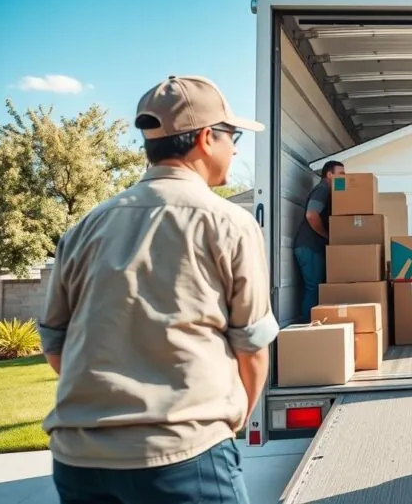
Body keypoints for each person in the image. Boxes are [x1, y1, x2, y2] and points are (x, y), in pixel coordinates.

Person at [37, 74, 279, 504]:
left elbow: (55, 343)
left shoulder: (85, 227)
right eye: (233, 135)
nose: (236, 147)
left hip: (79, 462)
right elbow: (253, 347)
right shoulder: (229, 223)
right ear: (206, 138)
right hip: (184, 454)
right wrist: (234, 415)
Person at [293, 160, 345, 322]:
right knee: (313, 289)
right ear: (329, 175)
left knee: (315, 288)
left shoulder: (329, 192)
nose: (345, 177)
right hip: (310, 247)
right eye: (341, 174)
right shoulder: (322, 190)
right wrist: (326, 236)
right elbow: (311, 215)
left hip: (311, 247)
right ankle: (308, 329)